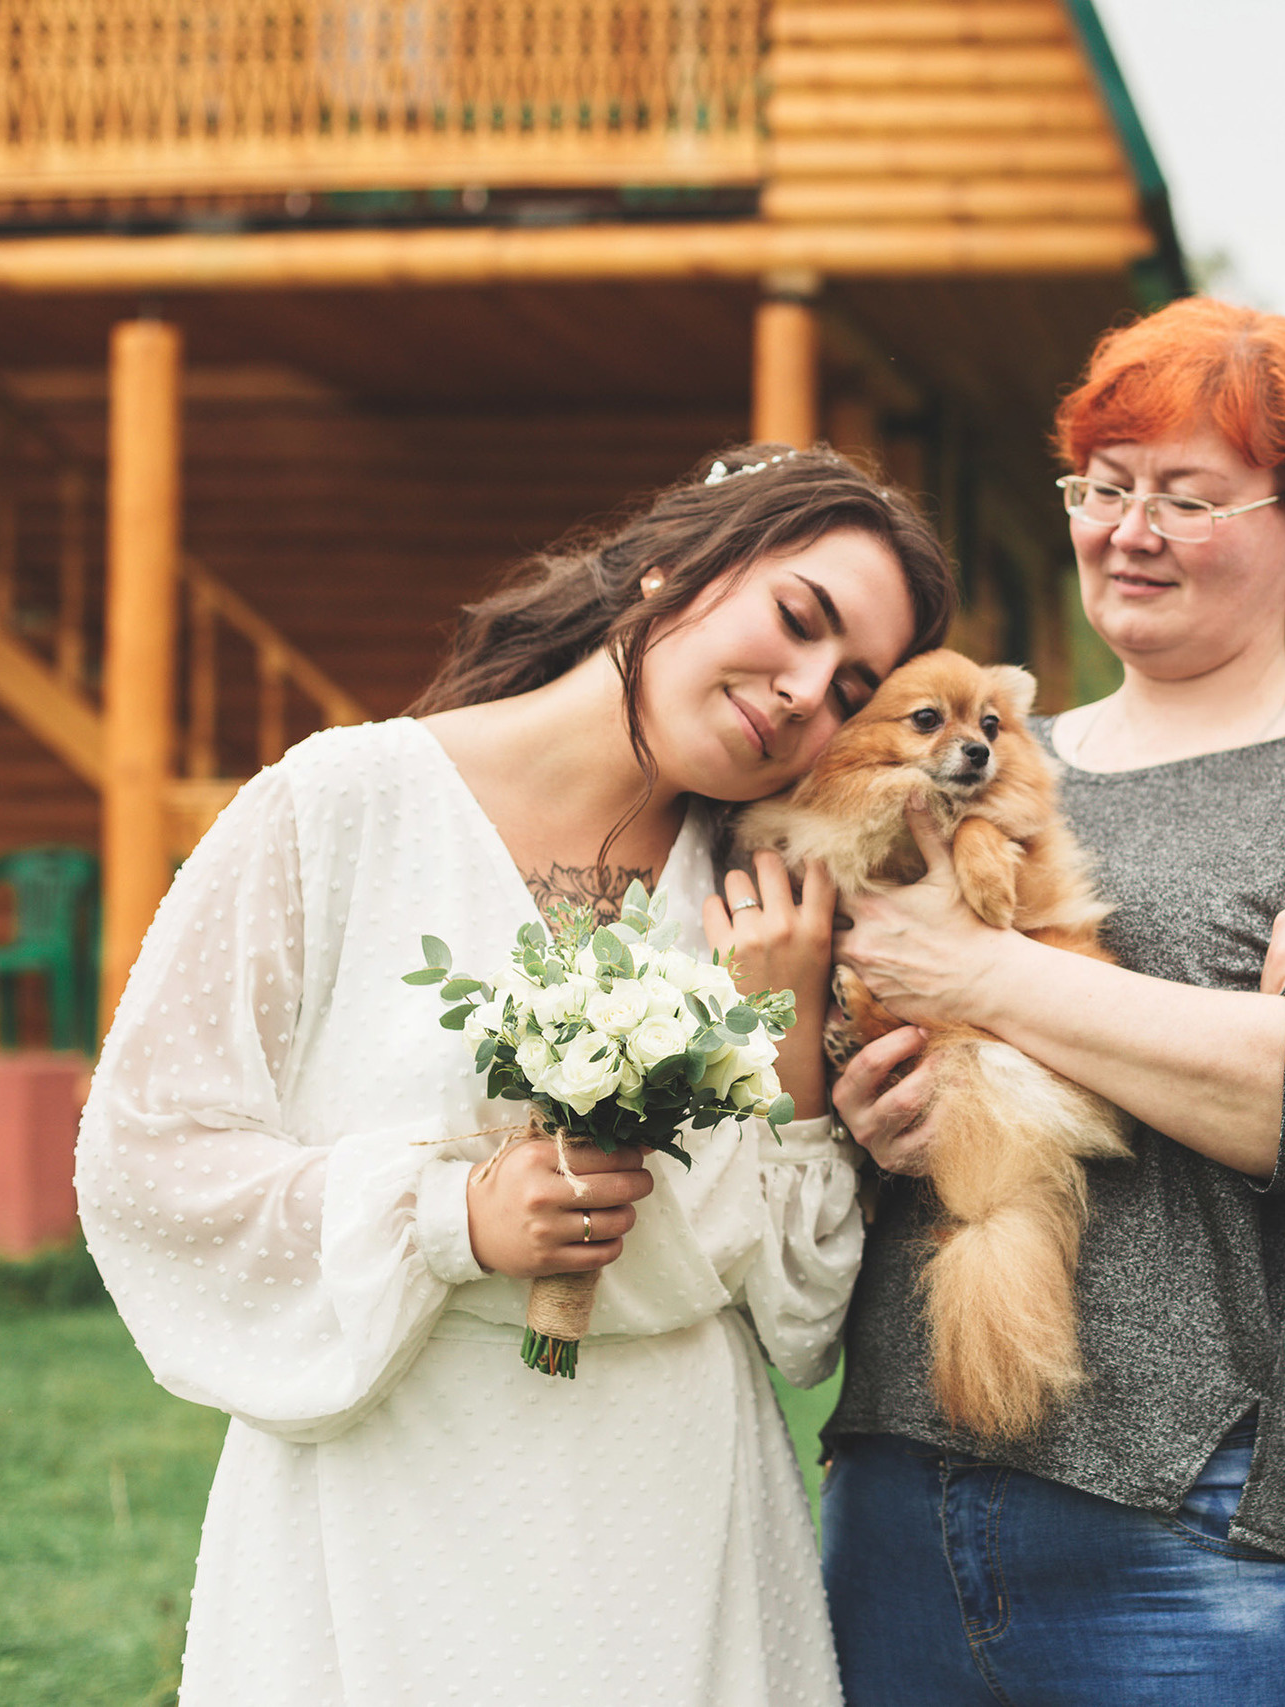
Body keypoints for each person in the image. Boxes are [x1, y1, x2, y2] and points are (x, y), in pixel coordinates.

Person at [73, 446, 956, 1707]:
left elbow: (803, 1319)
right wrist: (451, 1217)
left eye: (851, 689)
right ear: (675, 565)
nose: (806, 693)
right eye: (798, 619)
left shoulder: (776, 892)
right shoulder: (340, 804)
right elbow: (150, 1155)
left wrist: (791, 1020)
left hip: (677, 1513)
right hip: (391, 1490)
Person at [816, 297, 1285, 1707]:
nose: (1127, 531)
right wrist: (869, 1093)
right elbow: (858, 996)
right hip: (907, 1494)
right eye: (1102, 487)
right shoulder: (971, 749)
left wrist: (987, 976)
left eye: (1185, 498)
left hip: (1222, 1534)